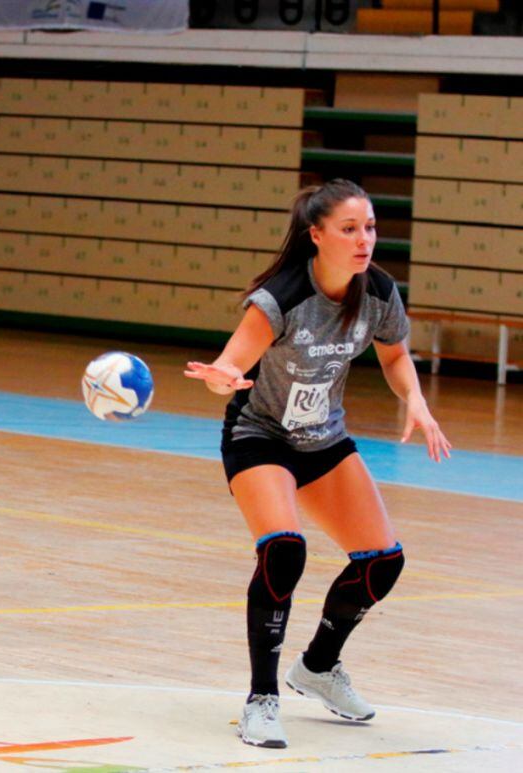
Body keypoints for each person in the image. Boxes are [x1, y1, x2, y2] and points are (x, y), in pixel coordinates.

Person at [184, 179, 450, 748]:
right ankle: (261, 700)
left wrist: (416, 400)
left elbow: (395, 354)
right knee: (284, 550)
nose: (364, 239)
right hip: (260, 437)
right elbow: (230, 365)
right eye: (349, 229)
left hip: (324, 439)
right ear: (317, 235)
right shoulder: (281, 298)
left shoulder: (378, 291)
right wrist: (222, 378)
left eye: (370, 227)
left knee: (383, 563)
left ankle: (319, 666)